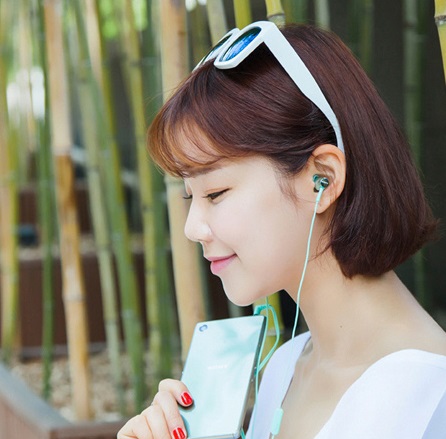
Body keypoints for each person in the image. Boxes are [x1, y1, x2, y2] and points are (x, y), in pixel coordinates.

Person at [117, 21, 446, 439]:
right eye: (189, 196)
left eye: (215, 193)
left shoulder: (428, 395)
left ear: (322, 178)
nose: (192, 228)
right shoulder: (284, 367)